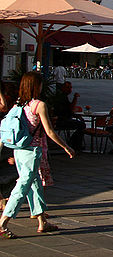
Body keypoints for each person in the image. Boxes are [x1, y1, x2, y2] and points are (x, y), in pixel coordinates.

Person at [0, 71, 75, 237]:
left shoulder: (19, 104)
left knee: (35, 184)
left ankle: (42, 221)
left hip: (18, 149)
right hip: (31, 151)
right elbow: (49, 131)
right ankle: (3, 222)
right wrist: (66, 147)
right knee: (23, 186)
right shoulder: (39, 105)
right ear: (37, 86)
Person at [51, 82, 86, 152]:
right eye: (68, 87)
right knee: (81, 125)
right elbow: (70, 109)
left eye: (70, 87)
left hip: (62, 119)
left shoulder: (63, 96)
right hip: (61, 120)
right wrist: (75, 98)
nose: (70, 90)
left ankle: (73, 143)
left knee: (81, 124)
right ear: (63, 88)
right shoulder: (61, 97)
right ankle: (74, 144)